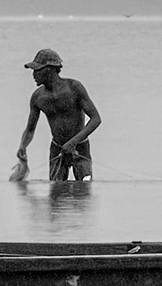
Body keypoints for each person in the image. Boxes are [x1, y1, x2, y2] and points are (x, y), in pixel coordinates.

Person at [13, 48, 101, 185]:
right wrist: (22, 146)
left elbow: (95, 119)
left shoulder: (74, 87)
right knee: (56, 190)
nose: (34, 75)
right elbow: (30, 129)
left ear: (50, 69)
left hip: (80, 147)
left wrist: (73, 142)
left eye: (37, 70)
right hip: (57, 148)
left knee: (83, 189)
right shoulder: (38, 97)